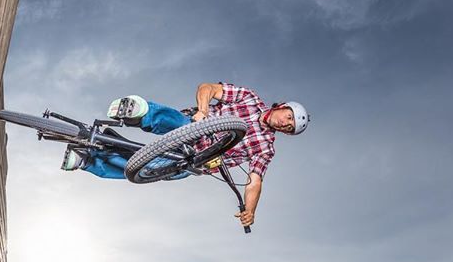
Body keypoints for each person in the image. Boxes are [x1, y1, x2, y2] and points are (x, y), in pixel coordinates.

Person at [62, 82, 309, 227]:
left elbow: (255, 180)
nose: (285, 124)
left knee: (148, 172)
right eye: (288, 117)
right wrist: (202, 111)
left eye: (289, 128)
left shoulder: (266, 147)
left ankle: (87, 160)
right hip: (195, 128)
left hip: (198, 160)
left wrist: (251, 210)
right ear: (282, 106)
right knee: (182, 122)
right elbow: (208, 88)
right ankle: (139, 112)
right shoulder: (250, 99)